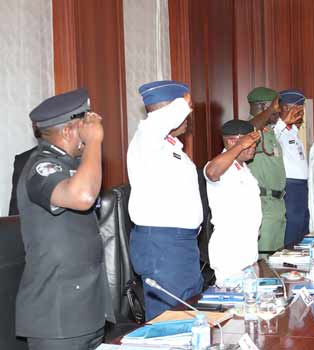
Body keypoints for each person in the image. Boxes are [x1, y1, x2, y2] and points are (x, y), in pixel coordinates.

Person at [16, 88, 114, 349]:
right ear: (70, 131)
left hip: (85, 311)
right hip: (57, 316)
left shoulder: (71, 166)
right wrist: (94, 142)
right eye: (85, 127)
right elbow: (82, 196)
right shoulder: (40, 167)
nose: (88, 133)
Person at [127, 80, 203, 321]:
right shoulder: (146, 137)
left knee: (187, 316)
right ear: (170, 110)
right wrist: (184, 101)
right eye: (183, 108)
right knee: (169, 322)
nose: (189, 113)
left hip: (182, 244)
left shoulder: (171, 146)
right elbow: (158, 120)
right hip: (162, 244)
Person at [203, 119, 261, 284]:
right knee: (232, 304)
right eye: (249, 143)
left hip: (248, 248)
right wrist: (240, 146)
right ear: (232, 142)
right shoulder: (220, 167)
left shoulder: (244, 169)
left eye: (254, 143)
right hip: (230, 251)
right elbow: (212, 172)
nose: (254, 147)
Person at [247, 87, 287, 252]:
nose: (278, 112)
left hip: (278, 203)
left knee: (277, 259)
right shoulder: (250, 129)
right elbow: (247, 132)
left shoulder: (268, 131)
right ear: (264, 107)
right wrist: (270, 110)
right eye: (275, 107)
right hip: (264, 203)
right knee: (264, 259)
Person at [276, 89, 310, 247]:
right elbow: (271, 136)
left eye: (301, 110)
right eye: (296, 109)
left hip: (302, 189)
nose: (299, 114)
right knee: (291, 233)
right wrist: (283, 122)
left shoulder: (294, 132)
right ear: (284, 109)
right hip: (290, 188)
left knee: (302, 230)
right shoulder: (276, 130)